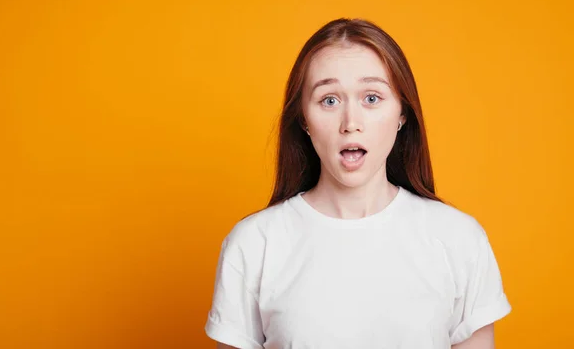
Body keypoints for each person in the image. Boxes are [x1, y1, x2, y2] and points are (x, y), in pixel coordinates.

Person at [204, 18, 511, 349]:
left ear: (402, 114)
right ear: (304, 119)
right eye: (329, 100)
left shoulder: (459, 240)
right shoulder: (254, 245)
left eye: (372, 98)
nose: (351, 123)